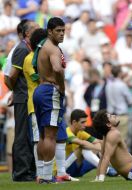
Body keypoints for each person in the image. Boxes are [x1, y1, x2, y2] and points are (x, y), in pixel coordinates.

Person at [33, 17, 70, 183]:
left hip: (40, 90)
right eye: (58, 31)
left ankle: (41, 174)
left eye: (63, 30)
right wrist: (61, 87)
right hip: (50, 91)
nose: (62, 34)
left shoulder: (42, 45)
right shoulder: (53, 48)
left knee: (42, 136)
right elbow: (57, 69)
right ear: (49, 31)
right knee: (50, 136)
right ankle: (47, 177)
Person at [9, 20, 39, 182]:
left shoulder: (28, 48)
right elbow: (11, 76)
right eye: (35, 28)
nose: (38, 29)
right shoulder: (21, 49)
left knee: (28, 135)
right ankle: (21, 173)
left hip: (26, 97)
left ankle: (29, 170)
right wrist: (16, 91)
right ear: (27, 33)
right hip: (22, 98)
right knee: (22, 135)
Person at [23, 28, 47, 178]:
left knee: (46, 138)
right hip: (35, 104)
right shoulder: (29, 59)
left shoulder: (40, 57)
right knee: (38, 140)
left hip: (45, 103)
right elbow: (38, 79)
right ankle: (40, 173)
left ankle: (47, 172)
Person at [65, 109, 117, 177]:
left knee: (94, 150)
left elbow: (98, 141)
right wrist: (100, 148)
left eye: (85, 122)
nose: (85, 125)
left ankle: (114, 168)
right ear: (74, 122)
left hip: (77, 168)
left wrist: (110, 141)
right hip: (66, 168)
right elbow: (82, 143)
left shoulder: (81, 133)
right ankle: (107, 170)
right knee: (82, 147)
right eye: (82, 122)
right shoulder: (67, 133)